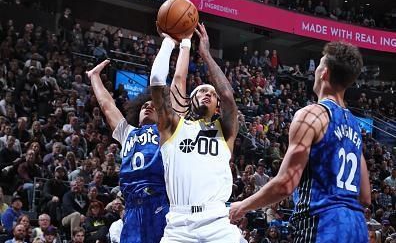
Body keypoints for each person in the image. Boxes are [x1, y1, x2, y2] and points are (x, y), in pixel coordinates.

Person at [230, 41, 370, 242]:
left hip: (322, 225)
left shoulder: (312, 115)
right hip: (356, 228)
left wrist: (242, 205)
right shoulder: (356, 127)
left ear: (324, 73)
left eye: (319, 65)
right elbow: (365, 196)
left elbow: (285, 184)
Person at [86, 33, 190, 243]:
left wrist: (185, 45)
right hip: (132, 207)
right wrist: (94, 77)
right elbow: (107, 106)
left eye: (152, 105)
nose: (147, 106)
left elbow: (179, 83)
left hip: (161, 202)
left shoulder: (168, 130)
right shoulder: (128, 133)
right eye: (144, 105)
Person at [150, 23, 244, 242]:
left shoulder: (226, 130)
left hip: (217, 221)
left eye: (212, 93)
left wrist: (205, 54)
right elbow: (157, 82)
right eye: (202, 90)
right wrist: (168, 43)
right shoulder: (172, 126)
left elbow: (228, 96)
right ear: (189, 99)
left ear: (217, 106)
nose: (207, 94)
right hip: (179, 224)